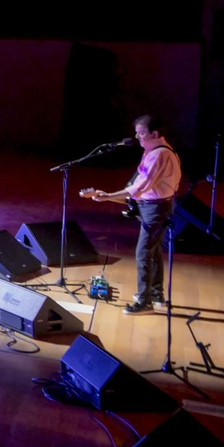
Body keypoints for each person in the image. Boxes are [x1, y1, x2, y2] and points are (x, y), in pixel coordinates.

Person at [83, 114, 182, 315]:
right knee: (152, 251)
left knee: (143, 252)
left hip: (156, 208)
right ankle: (155, 294)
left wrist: (109, 195)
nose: (137, 138)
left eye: (141, 133)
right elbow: (139, 190)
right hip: (155, 205)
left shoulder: (159, 155)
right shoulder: (156, 152)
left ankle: (144, 302)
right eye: (136, 133)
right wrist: (108, 197)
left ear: (154, 133)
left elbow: (141, 187)